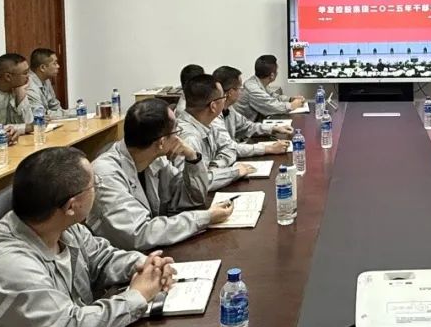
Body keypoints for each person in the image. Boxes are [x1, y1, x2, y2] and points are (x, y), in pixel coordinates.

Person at [0, 146, 177, 327]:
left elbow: (100, 258)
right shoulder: (9, 268)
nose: (97, 188)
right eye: (94, 185)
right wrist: (137, 296)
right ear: (72, 205)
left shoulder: (57, 222)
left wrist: (145, 265)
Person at [87, 99, 232, 251]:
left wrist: (192, 157)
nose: (179, 137)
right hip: (122, 258)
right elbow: (140, 233)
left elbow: (192, 198)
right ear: (161, 142)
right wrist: (205, 218)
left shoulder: (155, 158)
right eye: (176, 131)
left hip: (148, 253)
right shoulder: (106, 174)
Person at [176, 74, 262, 190]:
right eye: (223, 97)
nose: (225, 100)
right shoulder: (189, 138)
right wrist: (234, 172)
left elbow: (229, 148)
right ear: (213, 106)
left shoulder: (206, 122)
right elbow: (194, 185)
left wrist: (215, 166)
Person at [212, 66, 294, 145]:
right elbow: (229, 147)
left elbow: (248, 126)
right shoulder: (215, 117)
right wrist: (266, 148)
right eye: (239, 88)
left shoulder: (229, 109)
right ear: (230, 92)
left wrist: (274, 128)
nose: (241, 91)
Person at [233, 55, 306, 119]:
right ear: (272, 75)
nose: (277, 72)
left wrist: (290, 99)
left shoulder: (258, 82)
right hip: (245, 128)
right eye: (276, 71)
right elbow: (272, 106)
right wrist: (292, 105)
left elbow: (272, 96)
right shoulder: (252, 88)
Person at [26, 47, 73, 119]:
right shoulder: (29, 84)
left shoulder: (46, 80)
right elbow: (41, 115)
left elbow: (55, 107)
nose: (58, 66)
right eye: (55, 63)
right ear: (42, 67)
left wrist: (66, 114)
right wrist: (72, 113)